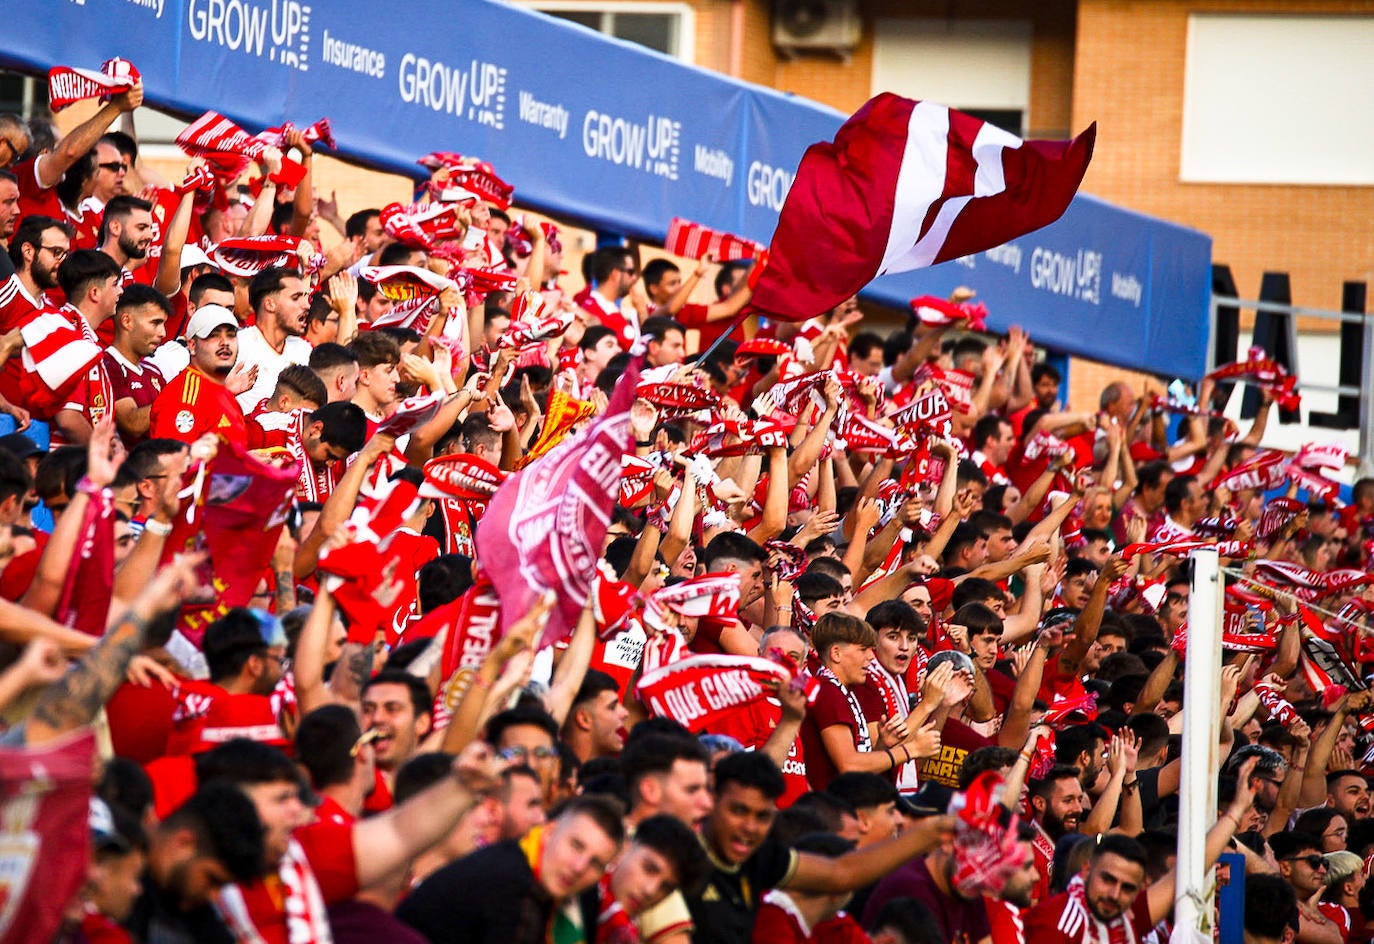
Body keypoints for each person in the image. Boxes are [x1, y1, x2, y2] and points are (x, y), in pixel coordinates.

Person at [397, 793, 626, 944]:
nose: (579, 867)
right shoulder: (511, 884)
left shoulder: (525, 862)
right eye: (576, 845)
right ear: (549, 832)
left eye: (595, 864)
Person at [147, 303, 249, 446]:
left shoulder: (225, 395)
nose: (224, 342)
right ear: (192, 346)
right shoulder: (183, 398)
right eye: (213, 335)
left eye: (231, 335)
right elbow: (173, 463)